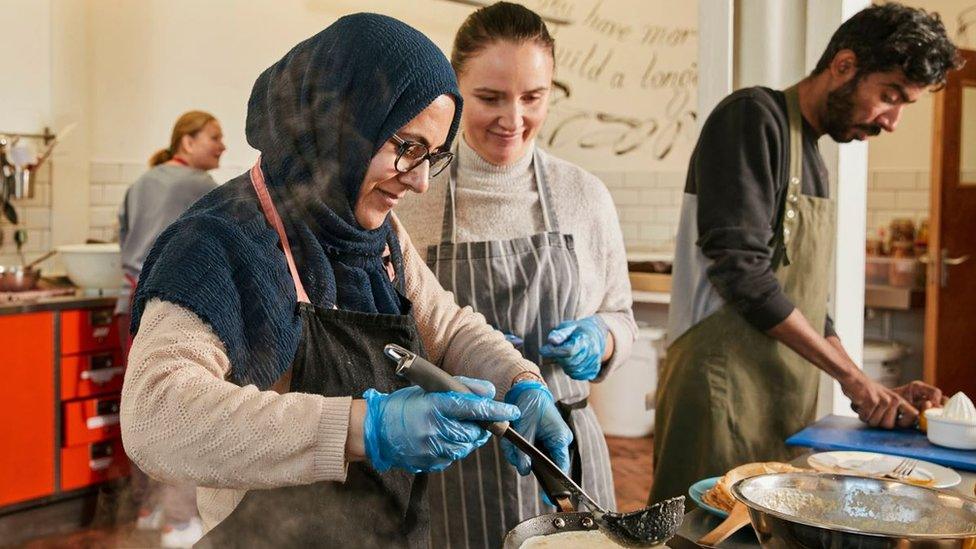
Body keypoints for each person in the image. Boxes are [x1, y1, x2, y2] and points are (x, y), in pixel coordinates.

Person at [119, 13, 573, 548]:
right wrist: (367, 428)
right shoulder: (218, 242)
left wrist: (519, 382)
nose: (422, 182)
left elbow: (447, 328)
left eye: (434, 156)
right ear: (342, 124)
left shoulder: (374, 235)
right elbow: (155, 415)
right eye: (406, 147)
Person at [651, 2, 962, 505]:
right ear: (843, 66)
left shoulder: (814, 156)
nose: (893, 121)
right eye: (889, 96)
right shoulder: (752, 117)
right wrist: (854, 379)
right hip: (719, 392)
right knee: (703, 531)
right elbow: (744, 275)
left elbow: (806, 300)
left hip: (777, 400)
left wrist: (875, 390)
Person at [395, 3, 637, 546]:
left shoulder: (584, 196)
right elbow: (387, 330)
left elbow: (622, 313)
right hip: (452, 448)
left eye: (533, 97)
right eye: (489, 98)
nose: (513, 119)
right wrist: (453, 352)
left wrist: (601, 338)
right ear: (455, 92)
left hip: (564, 445)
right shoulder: (413, 198)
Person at [115, 110, 223, 547]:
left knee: (143, 404)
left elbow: (121, 239)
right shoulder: (200, 187)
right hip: (177, 307)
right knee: (185, 408)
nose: (222, 146)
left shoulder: (142, 182)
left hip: (132, 305)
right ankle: (179, 521)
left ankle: (146, 508)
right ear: (187, 142)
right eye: (214, 137)